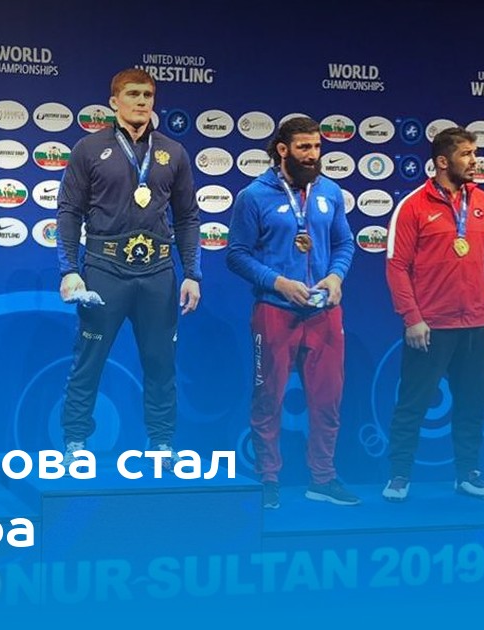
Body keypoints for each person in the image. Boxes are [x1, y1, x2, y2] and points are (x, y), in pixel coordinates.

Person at [56, 68, 201, 472]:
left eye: (148, 95)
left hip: (157, 273)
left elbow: (187, 217)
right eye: (133, 94)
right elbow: (69, 212)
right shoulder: (89, 148)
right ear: (113, 101)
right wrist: (68, 269)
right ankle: (75, 440)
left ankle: (162, 442)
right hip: (104, 270)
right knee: (89, 360)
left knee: (160, 362)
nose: (141, 102)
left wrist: (192, 273)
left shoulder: (173, 151)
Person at [226, 116, 360, 509]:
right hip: (274, 311)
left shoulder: (330, 191)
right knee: (268, 399)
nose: (312, 154)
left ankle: (323, 478)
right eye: (304, 147)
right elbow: (236, 255)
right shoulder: (254, 196)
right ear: (283, 150)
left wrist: (335, 277)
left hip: (324, 313)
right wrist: (278, 282)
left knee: (328, 400)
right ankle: (268, 479)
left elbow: (345, 244)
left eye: (316, 147)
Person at [383, 127, 484, 502]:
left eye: (475, 153)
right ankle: (399, 476)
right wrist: (411, 317)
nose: (475, 161)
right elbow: (396, 266)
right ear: (442, 162)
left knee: (472, 403)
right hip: (429, 326)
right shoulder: (413, 206)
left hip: (474, 324)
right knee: (413, 404)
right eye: (466, 154)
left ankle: (468, 475)